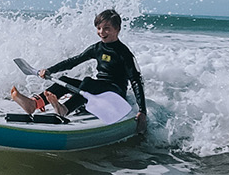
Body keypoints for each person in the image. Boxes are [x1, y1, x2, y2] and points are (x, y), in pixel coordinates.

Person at [10, 8, 148, 129]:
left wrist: (142, 110)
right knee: (64, 80)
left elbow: (136, 80)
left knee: (88, 82)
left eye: (107, 28)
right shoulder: (97, 48)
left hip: (114, 92)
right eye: (99, 28)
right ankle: (34, 104)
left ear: (117, 29)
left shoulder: (124, 53)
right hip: (97, 88)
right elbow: (73, 61)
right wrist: (49, 70)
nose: (101, 32)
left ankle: (64, 109)